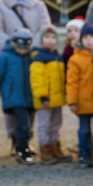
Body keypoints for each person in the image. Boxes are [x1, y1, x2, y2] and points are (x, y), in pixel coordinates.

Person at [0, 27, 38, 165]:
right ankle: (22, 151)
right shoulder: (3, 57)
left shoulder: (32, 56)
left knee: (28, 124)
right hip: (13, 97)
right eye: (19, 47)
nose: (22, 51)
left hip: (30, 97)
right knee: (23, 125)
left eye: (25, 48)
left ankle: (20, 144)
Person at [66, 25, 93, 169]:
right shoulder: (75, 59)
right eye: (85, 38)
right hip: (83, 102)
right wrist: (72, 101)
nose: (89, 41)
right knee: (84, 130)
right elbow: (72, 82)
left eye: (92, 38)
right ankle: (84, 154)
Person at [29, 25, 72, 165]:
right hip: (45, 99)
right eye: (47, 37)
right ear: (41, 39)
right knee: (44, 125)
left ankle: (55, 147)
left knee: (56, 123)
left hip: (57, 98)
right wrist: (42, 95)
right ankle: (45, 148)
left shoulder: (57, 56)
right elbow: (37, 79)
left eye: (53, 37)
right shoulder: (39, 57)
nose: (50, 40)